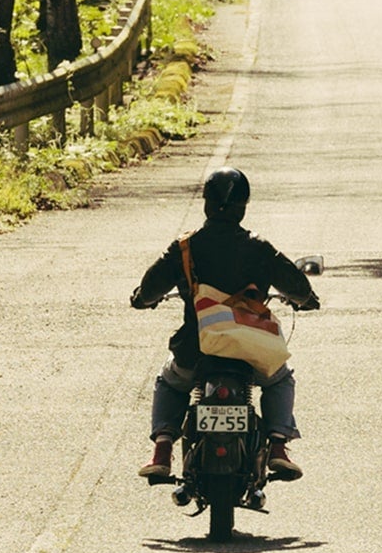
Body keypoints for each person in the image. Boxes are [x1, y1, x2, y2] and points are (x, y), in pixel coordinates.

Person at [130, 167, 320, 481]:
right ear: (243, 206)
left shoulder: (185, 248)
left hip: (197, 348)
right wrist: (307, 299)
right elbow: (296, 285)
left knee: (170, 381)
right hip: (250, 346)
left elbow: (151, 287)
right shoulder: (259, 247)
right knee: (279, 379)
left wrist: (141, 298)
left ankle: (162, 451)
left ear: (205, 202)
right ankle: (278, 446)